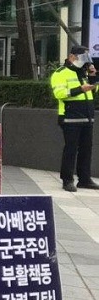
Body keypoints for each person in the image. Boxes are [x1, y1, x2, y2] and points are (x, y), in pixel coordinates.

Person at [50, 45, 99, 192]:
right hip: (70, 117)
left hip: (87, 117)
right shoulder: (60, 73)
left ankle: (84, 179)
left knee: (86, 149)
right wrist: (79, 89)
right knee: (70, 149)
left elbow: (93, 91)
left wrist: (93, 77)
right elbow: (59, 93)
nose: (86, 60)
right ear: (72, 57)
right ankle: (67, 180)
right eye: (83, 57)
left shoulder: (83, 72)